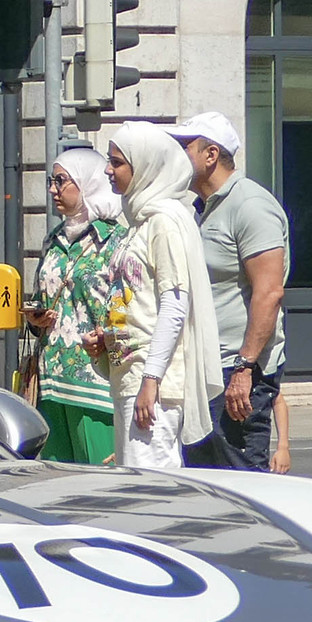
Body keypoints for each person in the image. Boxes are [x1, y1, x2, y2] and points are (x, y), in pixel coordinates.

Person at [88, 123, 224, 471]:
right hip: (130, 377)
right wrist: (107, 342)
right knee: (134, 484)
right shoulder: (139, 222)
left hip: (153, 386)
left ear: (145, 166)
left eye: (117, 162)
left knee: (151, 489)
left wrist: (151, 380)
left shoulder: (164, 222)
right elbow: (138, 304)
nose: (107, 170)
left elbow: (175, 305)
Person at [168, 110, 290, 470]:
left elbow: (269, 292)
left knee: (241, 479)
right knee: (207, 481)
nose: (177, 157)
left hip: (235, 369)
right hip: (206, 364)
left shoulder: (250, 205)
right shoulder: (200, 209)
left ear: (211, 155)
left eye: (184, 147)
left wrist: (244, 368)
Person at [20, 146, 125, 465]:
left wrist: (112, 348)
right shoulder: (53, 239)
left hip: (96, 386)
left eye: (61, 181)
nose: (53, 189)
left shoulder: (116, 240)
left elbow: (128, 312)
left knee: (101, 485)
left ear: (86, 182)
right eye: (51, 181)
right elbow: (44, 298)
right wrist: (35, 320)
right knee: (57, 484)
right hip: (51, 382)